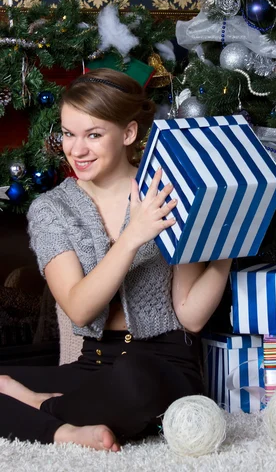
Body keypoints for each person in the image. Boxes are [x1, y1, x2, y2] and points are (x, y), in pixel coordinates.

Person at [0, 68, 232, 451]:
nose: (76, 150)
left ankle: (42, 407)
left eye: (93, 134)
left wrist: (226, 251)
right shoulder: (51, 209)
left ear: (127, 134)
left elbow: (190, 315)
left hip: (163, 362)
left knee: (134, 382)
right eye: (68, 134)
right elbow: (78, 308)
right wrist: (132, 236)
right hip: (93, 364)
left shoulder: (168, 190)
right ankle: (68, 432)